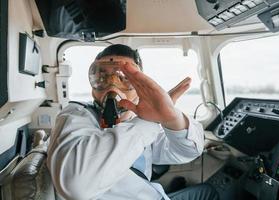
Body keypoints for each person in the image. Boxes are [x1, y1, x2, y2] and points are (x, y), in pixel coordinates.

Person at [47, 44, 219, 200]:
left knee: (208, 191)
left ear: (139, 85)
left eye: (124, 78)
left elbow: (189, 151)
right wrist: (149, 122)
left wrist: (173, 118)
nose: (112, 86)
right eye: (102, 77)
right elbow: (76, 185)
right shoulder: (75, 116)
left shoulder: (136, 121)